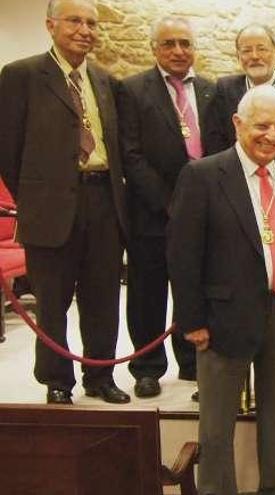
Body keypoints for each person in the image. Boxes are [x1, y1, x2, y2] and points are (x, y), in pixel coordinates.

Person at [167, 85, 275, 495]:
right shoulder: (203, 175)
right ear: (238, 124)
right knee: (217, 425)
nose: (271, 135)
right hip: (222, 318)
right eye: (262, 125)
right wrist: (191, 320)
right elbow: (182, 253)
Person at [0, 0, 129, 405]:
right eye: (75, 20)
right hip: (49, 207)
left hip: (104, 201)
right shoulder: (21, 75)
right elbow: (7, 147)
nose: (85, 30)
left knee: (103, 296)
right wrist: (35, 195)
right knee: (52, 301)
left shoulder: (108, 82)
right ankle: (57, 381)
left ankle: (100, 376)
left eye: (91, 23)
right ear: (51, 24)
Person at [117, 15, 210, 398]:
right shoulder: (133, 90)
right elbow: (131, 154)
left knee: (194, 286)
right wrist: (169, 202)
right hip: (153, 213)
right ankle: (147, 366)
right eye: (169, 43)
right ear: (154, 48)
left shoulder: (209, 90)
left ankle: (191, 361)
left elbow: (218, 146)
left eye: (185, 44)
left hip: (203, 210)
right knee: (148, 291)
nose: (177, 51)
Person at [203, 23, 275, 155]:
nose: (255, 56)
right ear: (238, 56)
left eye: (262, 49)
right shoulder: (225, 90)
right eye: (246, 51)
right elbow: (214, 142)